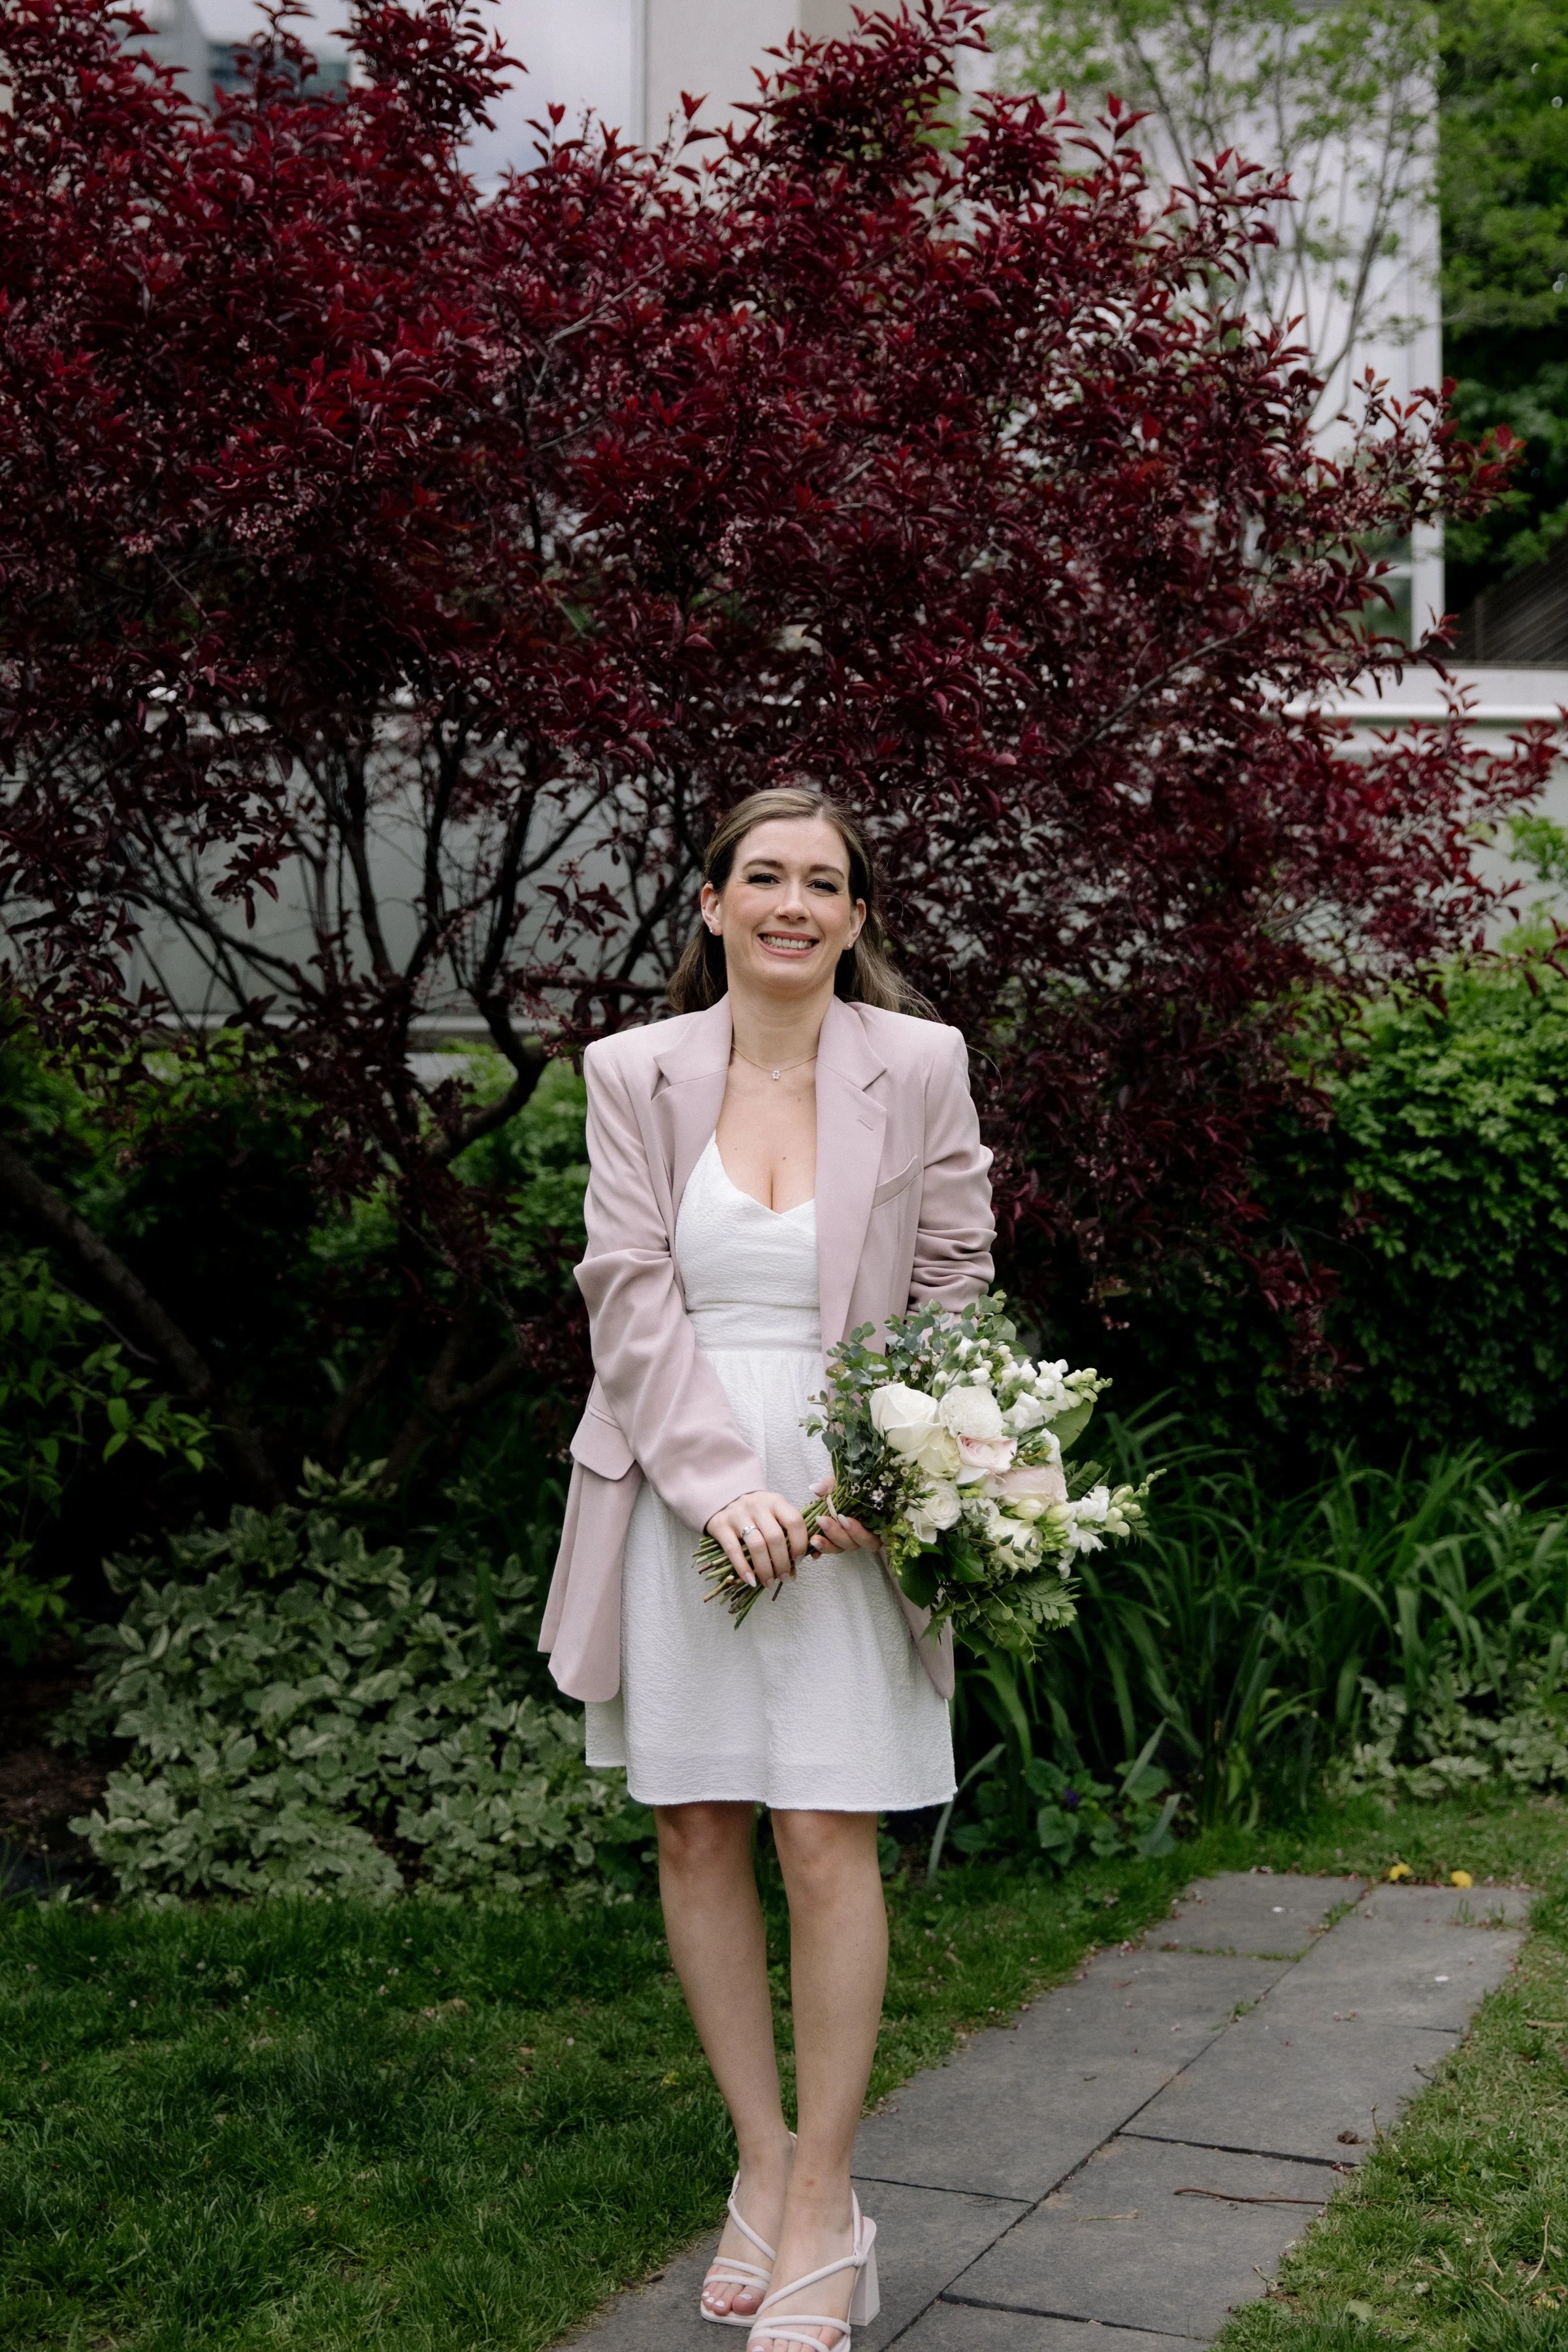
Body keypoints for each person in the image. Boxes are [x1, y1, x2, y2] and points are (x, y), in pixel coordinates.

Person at [540, 785, 995, 2350]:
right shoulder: (633, 1073)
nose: (793, 904)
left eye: (825, 882)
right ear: (716, 904)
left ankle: (828, 2200)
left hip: (855, 1488)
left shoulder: (920, 1066)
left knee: (824, 1834)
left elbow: (953, 1277)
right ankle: (759, 2162)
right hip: (680, 1480)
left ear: (857, 918)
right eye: (765, 877)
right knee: (696, 1824)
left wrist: (889, 1465)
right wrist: (720, 1484)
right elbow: (625, 1291)